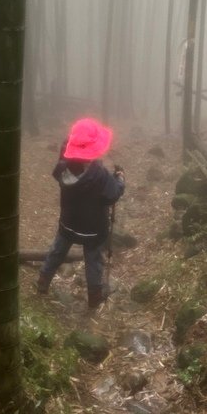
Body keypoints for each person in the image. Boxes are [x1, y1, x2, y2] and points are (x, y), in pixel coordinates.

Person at [38, 117, 125, 308]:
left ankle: (43, 280)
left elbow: (63, 155)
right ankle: (94, 297)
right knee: (94, 261)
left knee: (57, 251)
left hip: (68, 222)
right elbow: (113, 195)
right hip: (94, 229)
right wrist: (120, 179)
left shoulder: (63, 168)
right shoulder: (100, 175)